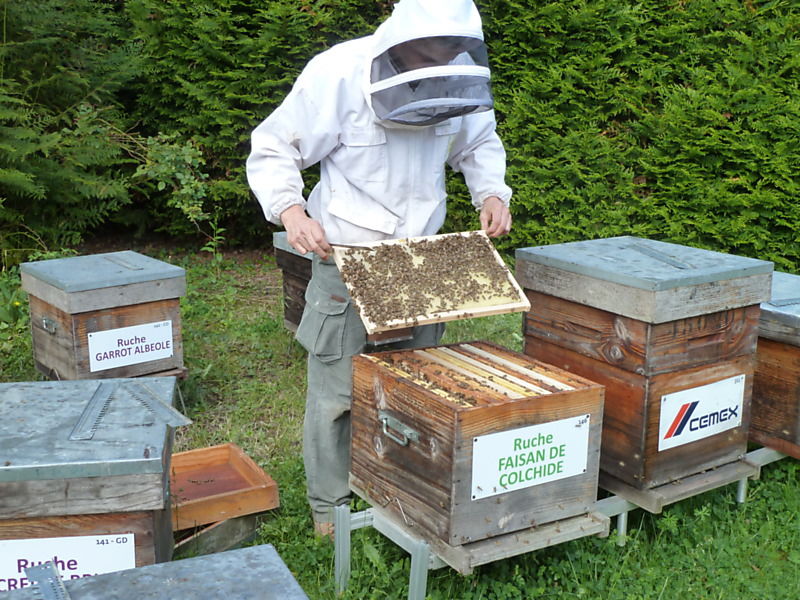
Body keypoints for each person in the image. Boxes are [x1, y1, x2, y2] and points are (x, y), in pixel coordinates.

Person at [246, 0, 512, 537]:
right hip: (346, 259)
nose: (439, 57)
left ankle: (402, 487)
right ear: (404, 36)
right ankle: (330, 508)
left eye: (448, 49)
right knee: (336, 395)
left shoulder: (455, 74)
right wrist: (291, 210)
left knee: (418, 387)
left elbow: (479, 141)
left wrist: (491, 191)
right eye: (429, 48)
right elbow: (274, 145)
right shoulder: (339, 71)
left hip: (419, 262)